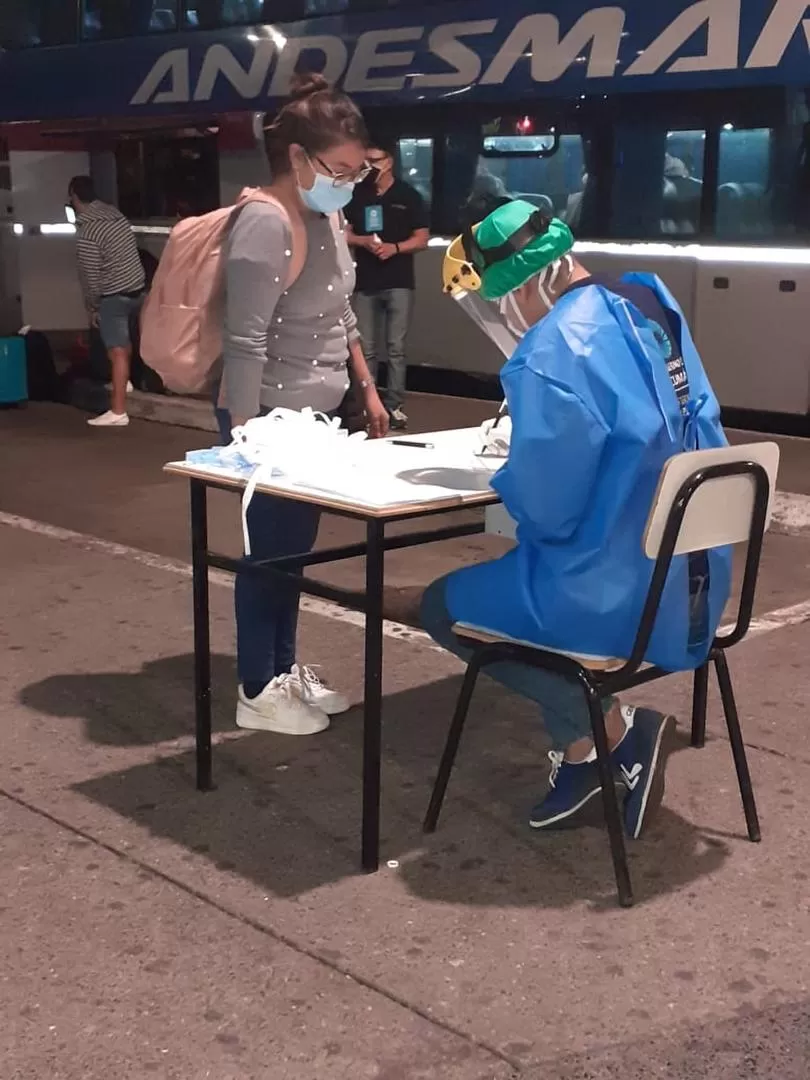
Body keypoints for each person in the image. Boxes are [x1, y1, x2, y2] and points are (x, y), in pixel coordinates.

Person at [422, 199, 731, 838]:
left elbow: (546, 511)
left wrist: (508, 475)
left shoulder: (551, 349)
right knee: (514, 582)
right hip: (695, 582)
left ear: (530, 283)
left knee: (442, 606)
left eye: (501, 303)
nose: (505, 319)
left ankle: (613, 733)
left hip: (610, 591)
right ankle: (585, 755)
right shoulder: (651, 305)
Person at [217, 73, 389, 737]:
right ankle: (257, 688)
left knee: (293, 558)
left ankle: (284, 671)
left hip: (314, 426)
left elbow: (340, 308)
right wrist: (242, 434)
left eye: (357, 170)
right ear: (297, 158)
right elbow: (245, 341)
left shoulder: (328, 213)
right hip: (270, 428)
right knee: (270, 558)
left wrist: (368, 387)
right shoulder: (264, 222)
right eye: (340, 170)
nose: (349, 182)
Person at [345, 139, 429, 430]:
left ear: (390, 161)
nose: (370, 168)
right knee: (365, 348)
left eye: (375, 161)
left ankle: (395, 406)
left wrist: (394, 248)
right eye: (365, 162)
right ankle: (369, 405)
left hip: (399, 282)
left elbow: (422, 239)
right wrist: (363, 241)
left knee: (395, 348)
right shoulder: (358, 195)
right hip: (365, 282)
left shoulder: (408, 195)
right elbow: (344, 234)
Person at [68, 176, 145, 427]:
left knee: (116, 351)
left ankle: (118, 411)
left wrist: (92, 307)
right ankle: (125, 382)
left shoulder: (88, 231)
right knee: (125, 344)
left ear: (74, 197)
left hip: (113, 297)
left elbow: (90, 276)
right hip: (137, 291)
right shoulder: (116, 216)